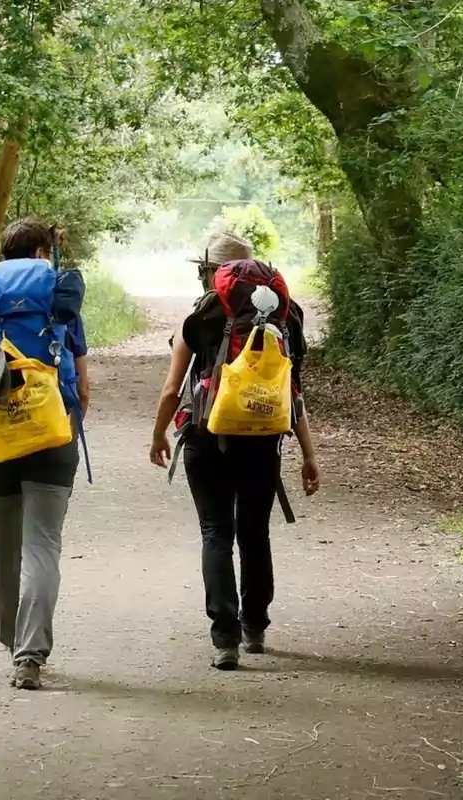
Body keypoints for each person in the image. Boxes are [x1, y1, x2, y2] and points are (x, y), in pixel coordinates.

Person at [148, 231, 320, 671]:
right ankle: (255, 627)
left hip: (206, 438)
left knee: (216, 532)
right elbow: (291, 389)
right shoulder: (285, 315)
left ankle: (224, 638)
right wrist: (308, 453)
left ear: (210, 271)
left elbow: (172, 388)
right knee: (255, 533)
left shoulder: (201, 314)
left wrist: (158, 435)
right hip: (263, 438)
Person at [0, 217, 90, 690]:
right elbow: (83, 387)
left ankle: (14, 645)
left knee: (6, 548)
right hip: (53, 437)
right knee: (43, 545)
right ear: (40, 254)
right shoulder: (59, 298)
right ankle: (30, 656)